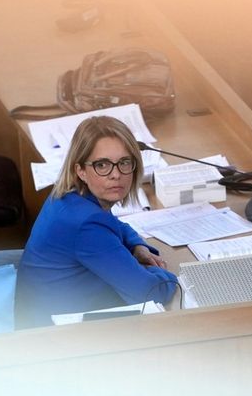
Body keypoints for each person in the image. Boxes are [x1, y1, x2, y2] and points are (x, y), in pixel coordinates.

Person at [15, 116, 178, 328]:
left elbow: (114, 225)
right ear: (80, 170)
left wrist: (137, 245)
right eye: (102, 165)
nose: (116, 175)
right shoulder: (86, 224)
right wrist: (172, 274)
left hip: (45, 315)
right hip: (56, 339)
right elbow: (150, 292)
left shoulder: (68, 196)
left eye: (124, 162)